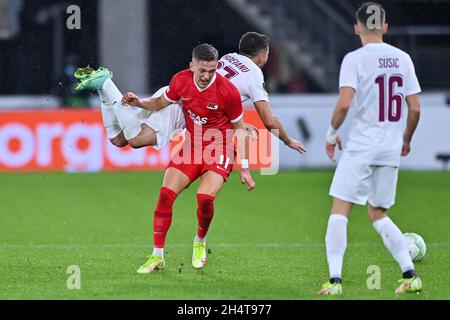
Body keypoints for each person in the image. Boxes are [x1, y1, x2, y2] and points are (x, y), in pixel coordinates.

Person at [120, 44, 255, 272]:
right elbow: (159, 103)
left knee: (204, 197)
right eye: (202, 70)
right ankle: (157, 256)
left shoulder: (227, 91)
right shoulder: (180, 81)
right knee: (165, 195)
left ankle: (200, 241)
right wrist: (139, 102)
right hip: (192, 147)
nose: (206, 76)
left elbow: (240, 130)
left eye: (212, 71)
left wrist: (244, 167)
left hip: (219, 148)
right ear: (191, 65)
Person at [318, 2, 422, 295]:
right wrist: (406, 138)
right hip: (389, 148)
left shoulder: (355, 59)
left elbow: (344, 102)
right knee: (377, 212)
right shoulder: (403, 58)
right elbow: (415, 108)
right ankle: (410, 274)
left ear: (357, 28)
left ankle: (335, 281)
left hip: (362, 146)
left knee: (340, 210)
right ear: (385, 27)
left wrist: (331, 134)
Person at [217, 32, 306, 153]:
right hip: (201, 124)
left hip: (192, 109)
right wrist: (288, 140)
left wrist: (240, 125)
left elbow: (216, 100)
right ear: (262, 56)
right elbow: (269, 121)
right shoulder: (254, 74)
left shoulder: (228, 57)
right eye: (267, 54)